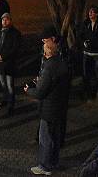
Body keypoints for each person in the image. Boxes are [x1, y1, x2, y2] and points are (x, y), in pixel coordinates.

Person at [25, 39, 70, 176]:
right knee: (55, 138)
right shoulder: (62, 63)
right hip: (60, 106)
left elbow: (40, 92)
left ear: (46, 52)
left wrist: (29, 90)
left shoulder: (48, 67)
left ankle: (45, 166)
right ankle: (54, 162)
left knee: (45, 138)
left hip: (49, 108)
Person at [77, 5, 98, 102]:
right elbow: (80, 35)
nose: (90, 14)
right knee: (86, 73)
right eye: (89, 12)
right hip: (87, 53)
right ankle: (88, 93)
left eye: (92, 12)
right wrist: (84, 43)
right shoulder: (86, 23)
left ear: (97, 14)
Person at [0, 13, 22, 115]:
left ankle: (11, 105)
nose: (4, 22)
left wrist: (4, 57)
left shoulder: (15, 33)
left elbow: (15, 49)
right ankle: (5, 99)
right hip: (0, 63)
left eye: (6, 20)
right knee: (3, 84)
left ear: (10, 21)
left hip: (9, 63)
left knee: (10, 85)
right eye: (3, 20)